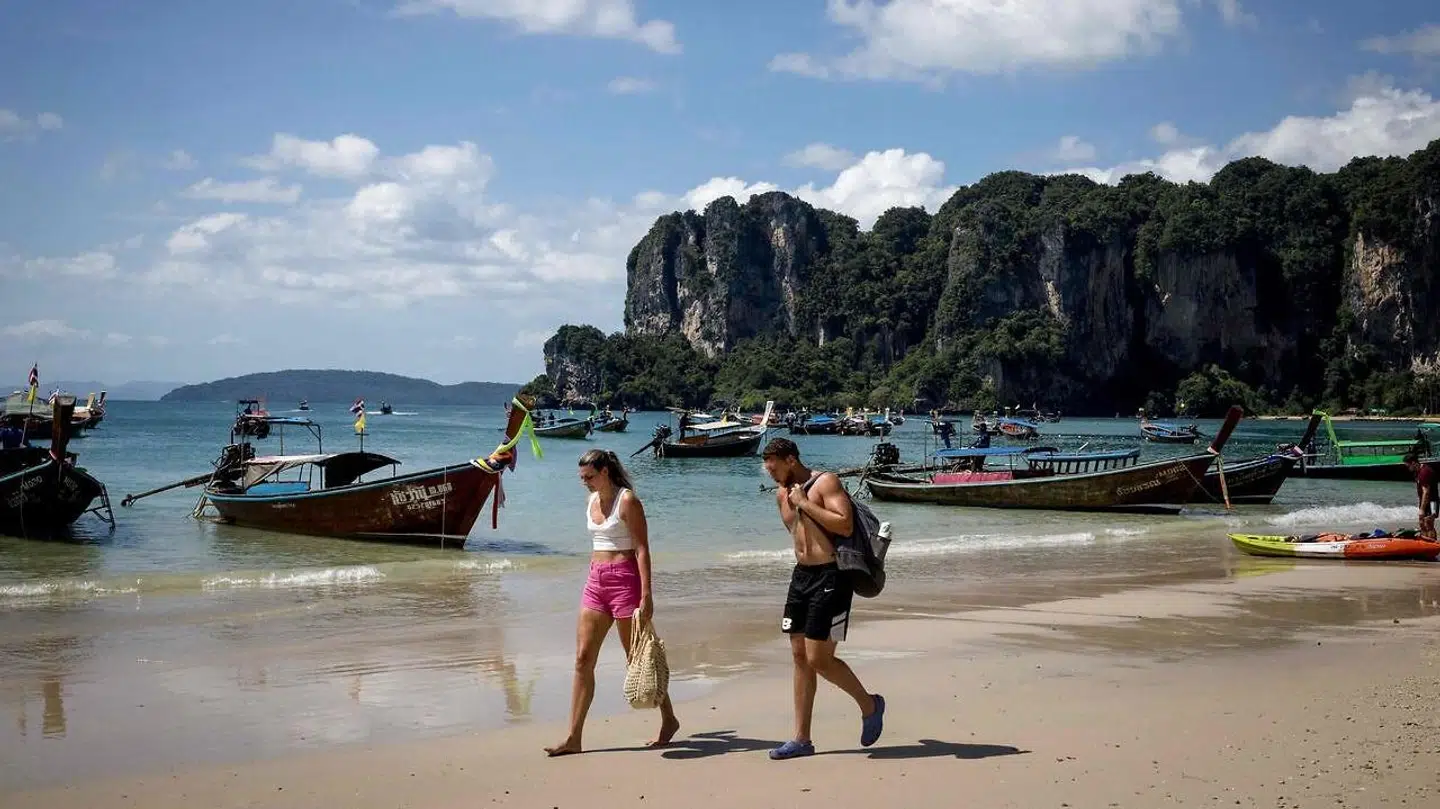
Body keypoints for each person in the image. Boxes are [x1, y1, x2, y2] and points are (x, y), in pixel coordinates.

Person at [545, 449, 680, 756]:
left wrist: (647, 595)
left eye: (589, 477)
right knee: (582, 659)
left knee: (638, 657)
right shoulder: (591, 500)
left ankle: (668, 718)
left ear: (605, 472)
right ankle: (573, 738)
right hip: (596, 582)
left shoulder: (627, 500)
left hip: (625, 581)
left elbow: (643, 548)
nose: (585, 483)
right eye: (582, 478)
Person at [760, 437, 884, 760]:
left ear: (790, 460)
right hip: (801, 578)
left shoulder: (825, 482)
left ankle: (870, 705)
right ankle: (801, 739)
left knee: (819, 658)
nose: (770, 473)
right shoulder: (780, 495)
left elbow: (844, 525)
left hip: (833, 577)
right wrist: (792, 501)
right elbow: (799, 537)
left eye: (773, 467)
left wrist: (804, 503)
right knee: (800, 657)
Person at [1403, 451, 1438, 540]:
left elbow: (1426, 492)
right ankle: (1425, 545)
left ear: (1413, 463)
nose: (1408, 468)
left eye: (1408, 465)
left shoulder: (1424, 472)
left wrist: (1422, 509)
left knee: (1428, 523)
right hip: (1425, 501)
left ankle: (1432, 546)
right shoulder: (1417, 472)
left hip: (1432, 501)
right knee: (1422, 523)